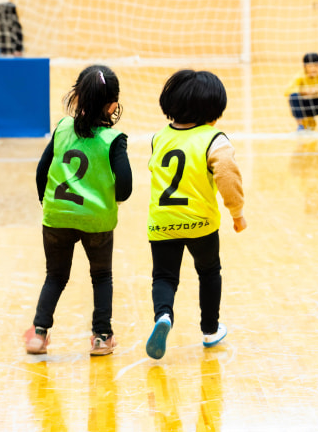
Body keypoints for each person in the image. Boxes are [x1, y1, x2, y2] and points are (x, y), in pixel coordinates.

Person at [25, 65, 132, 356]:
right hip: (97, 221)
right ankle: (101, 337)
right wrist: (113, 199)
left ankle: (38, 334)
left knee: (55, 276)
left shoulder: (61, 128)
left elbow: (41, 172)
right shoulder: (114, 140)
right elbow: (125, 187)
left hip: (56, 217)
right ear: (112, 105)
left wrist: (46, 204)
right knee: (101, 277)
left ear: (78, 97)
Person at [145, 70, 247, 360]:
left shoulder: (158, 138)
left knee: (164, 277)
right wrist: (237, 213)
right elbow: (229, 178)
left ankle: (163, 316)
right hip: (201, 223)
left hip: (162, 222)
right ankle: (210, 330)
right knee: (209, 272)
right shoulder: (215, 139)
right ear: (212, 109)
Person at [285, 52, 318, 131]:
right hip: (304, 106)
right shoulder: (300, 77)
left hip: (317, 104)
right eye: (310, 66)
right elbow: (287, 91)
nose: (313, 69)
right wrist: (304, 92)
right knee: (293, 97)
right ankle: (300, 126)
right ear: (305, 67)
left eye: (316, 66)